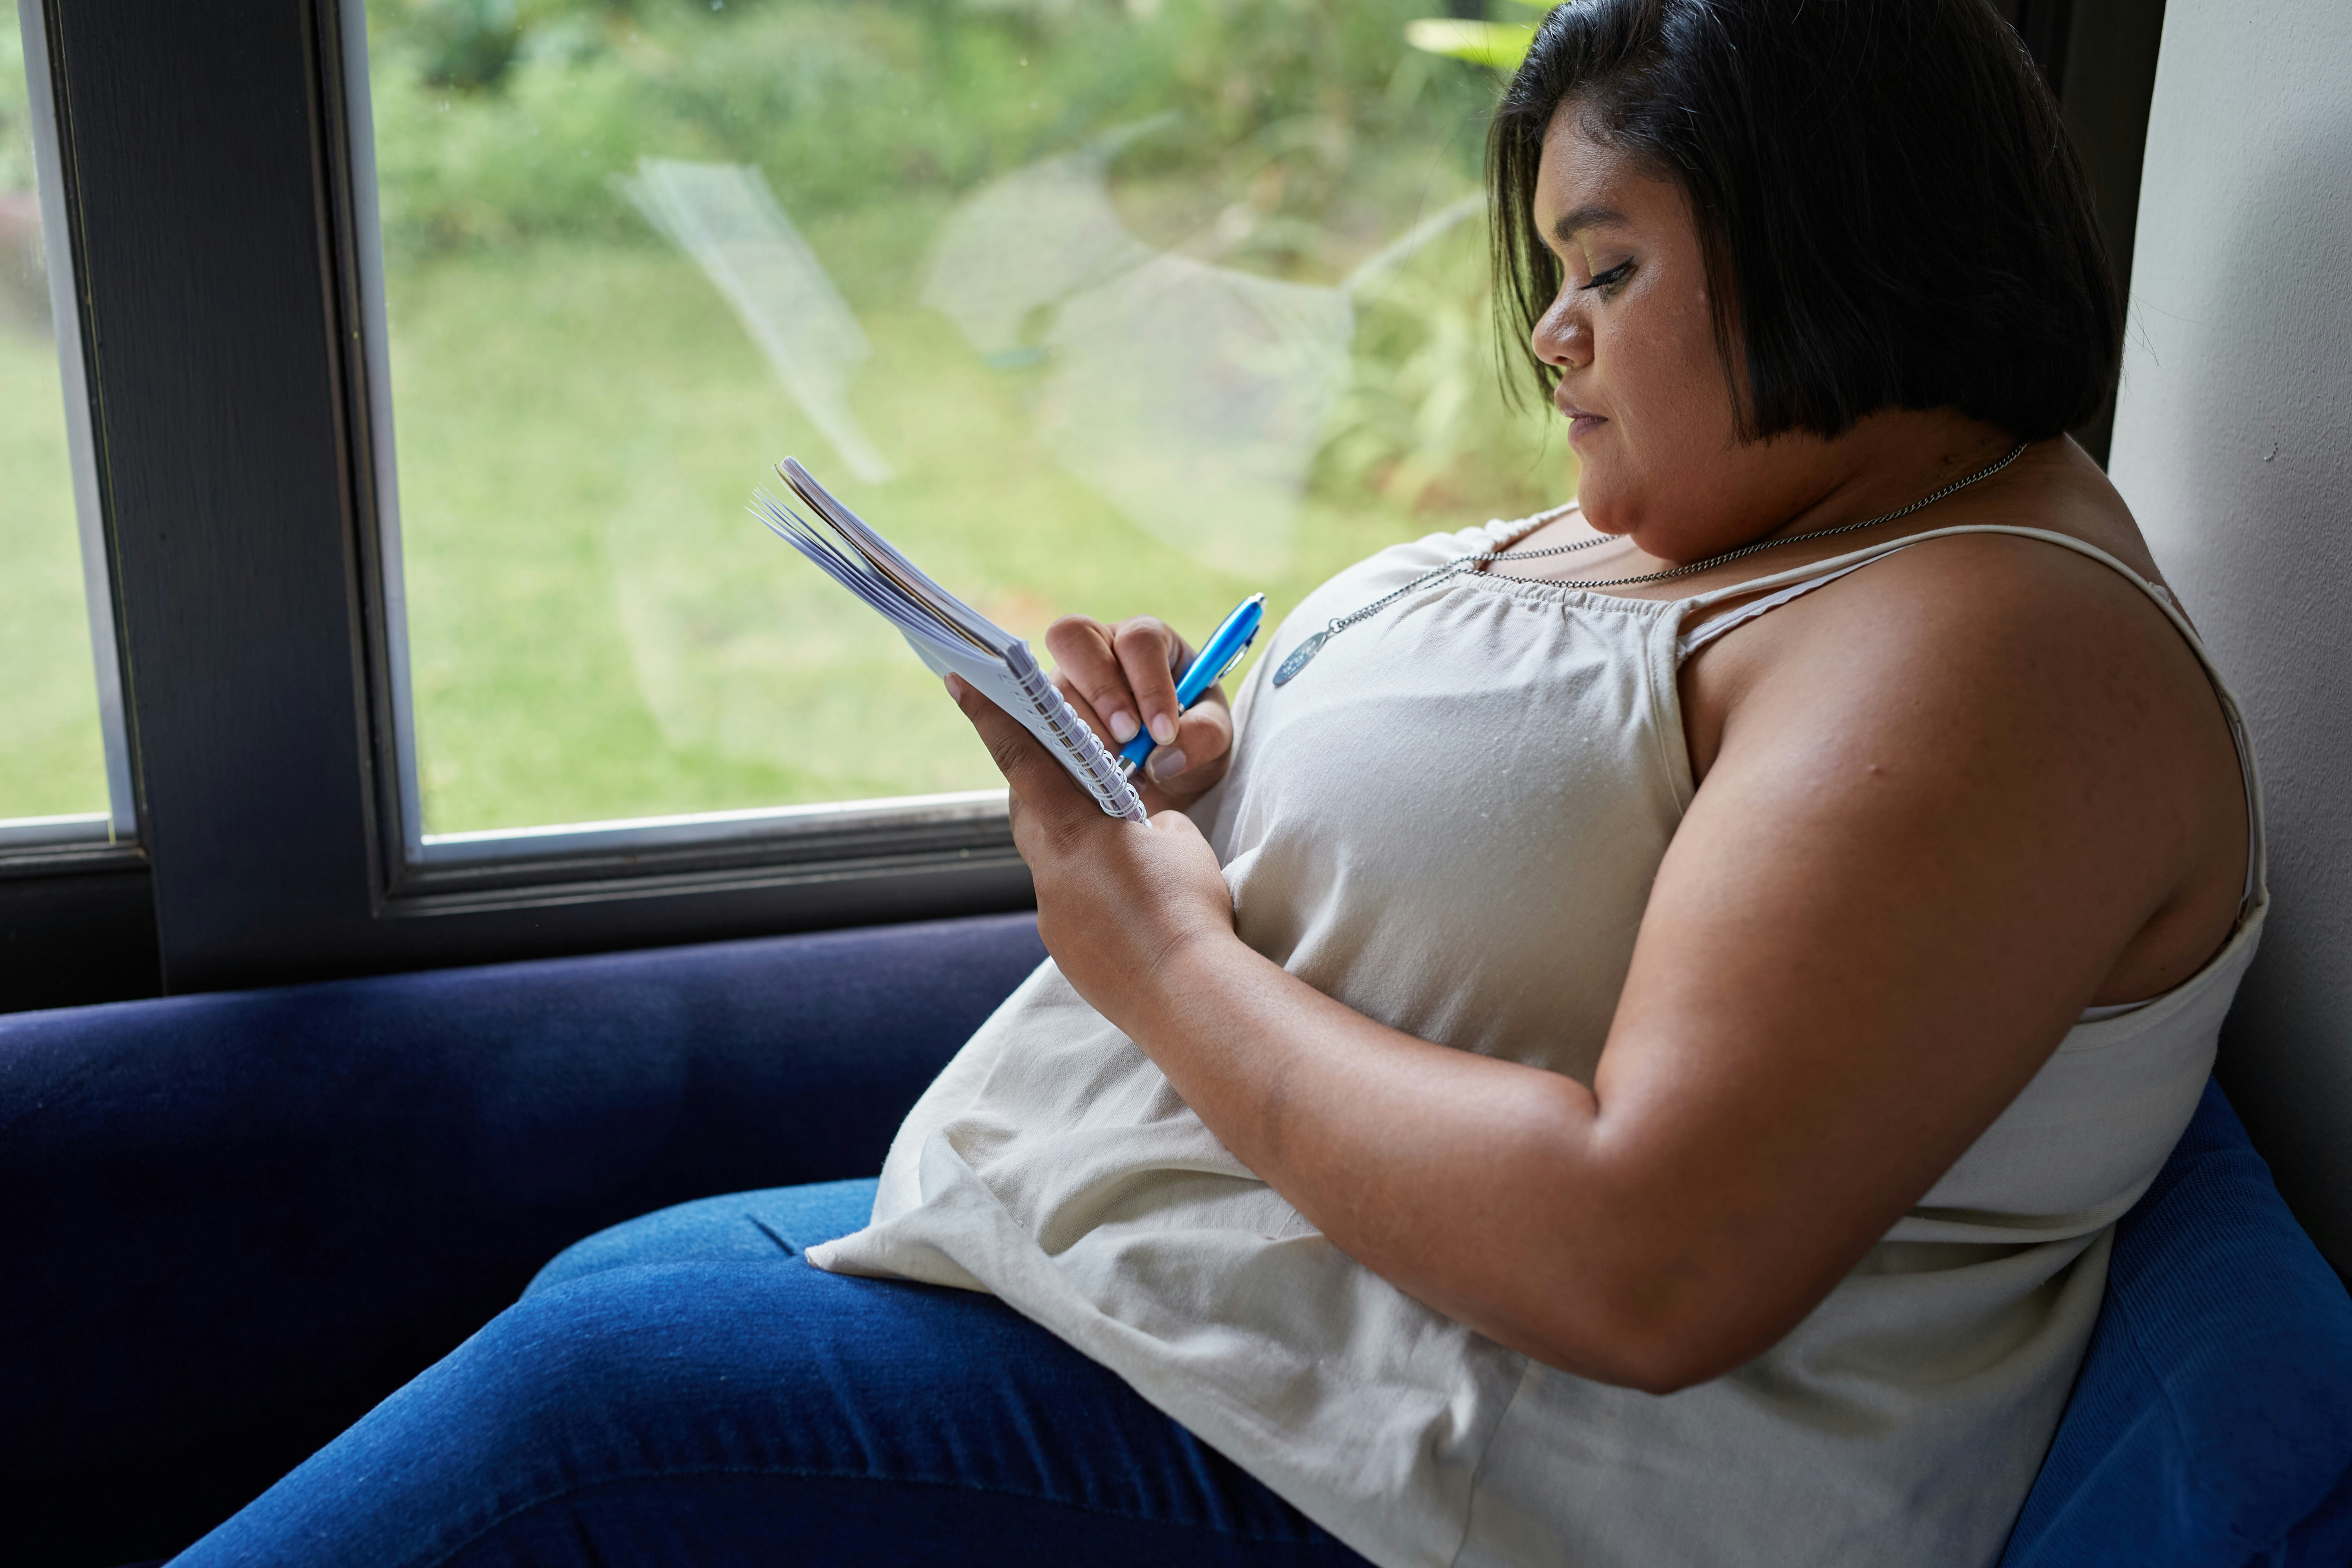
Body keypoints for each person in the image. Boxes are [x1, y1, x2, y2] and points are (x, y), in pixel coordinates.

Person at [172, 1, 2263, 1565]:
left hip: (1425, 1483)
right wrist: (1208, 797)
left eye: (1607, 268)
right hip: (1238, 1325)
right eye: (1552, 276)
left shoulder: (2003, 655)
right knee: (613, 1303)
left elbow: (1652, 1260)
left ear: (1850, 244)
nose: (1552, 339)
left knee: (587, 1416)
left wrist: (1158, 954)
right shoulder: (1798, 524)